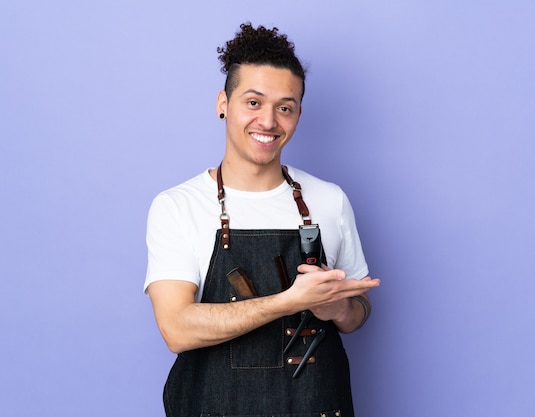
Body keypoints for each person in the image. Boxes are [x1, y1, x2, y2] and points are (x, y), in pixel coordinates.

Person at [144, 22, 380, 417]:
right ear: (223, 103)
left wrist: (337, 309)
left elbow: (358, 313)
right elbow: (177, 328)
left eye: (284, 107)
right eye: (253, 102)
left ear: (298, 114)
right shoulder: (177, 205)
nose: (268, 122)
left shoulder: (329, 200)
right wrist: (289, 301)